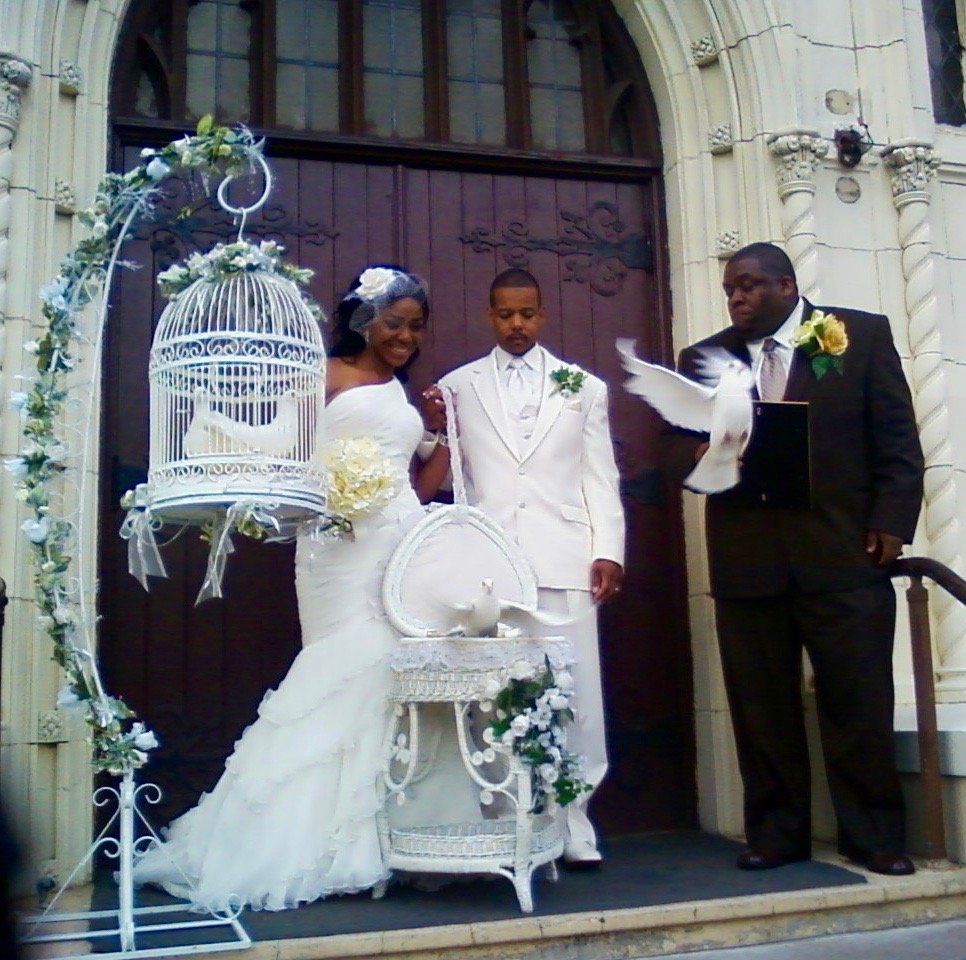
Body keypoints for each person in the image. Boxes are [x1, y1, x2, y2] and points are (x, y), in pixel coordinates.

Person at [133, 265, 451, 910]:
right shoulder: (324, 377)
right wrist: (215, 431)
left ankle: (383, 840)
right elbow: (280, 446)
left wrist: (444, 432)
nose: (406, 337)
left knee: (392, 681)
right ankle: (299, 842)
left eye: (416, 327)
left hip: (402, 548)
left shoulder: (400, 392)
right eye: (395, 323)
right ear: (365, 319)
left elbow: (418, 487)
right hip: (337, 549)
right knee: (339, 672)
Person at [662, 242, 924, 876]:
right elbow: (672, 447)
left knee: (858, 702)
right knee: (762, 707)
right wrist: (701, 458)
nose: (737, 298)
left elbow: (898, 441)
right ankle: (777, 835)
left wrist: (892, 523)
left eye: (749, 285)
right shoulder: (703, 357)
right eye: (730, 289)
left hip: (844, 556)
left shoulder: (857, 336)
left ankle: (876, 839)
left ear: (786, 284)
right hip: (749, 563)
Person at [424, 268, 625, 867]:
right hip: (489, 564)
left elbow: (599, 475)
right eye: (506, 314)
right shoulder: (458, 385)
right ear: (490, 314)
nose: (517, 325)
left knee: (576, 697)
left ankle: (574, 821)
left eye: (528, 314)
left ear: (542, 315)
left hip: (565, 558)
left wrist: (608, 548)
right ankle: (506, 819)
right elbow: (447, 479)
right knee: (497, 696)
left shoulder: (584, 388)